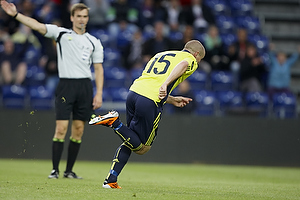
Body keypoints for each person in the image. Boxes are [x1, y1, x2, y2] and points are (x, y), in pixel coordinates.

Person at [0, 1, 104, 179]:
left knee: (78, 130)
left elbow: (98, 68)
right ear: (72, 17)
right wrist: (16, 15)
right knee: (61, 129)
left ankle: (69, 171)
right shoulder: (62, 33)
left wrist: (99, 93)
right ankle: (54, 170)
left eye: (84, 16)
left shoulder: (94, 42)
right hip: (66, 86)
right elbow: (38, 26)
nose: (81, 19)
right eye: (78, 16)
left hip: (85, 87)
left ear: (87, 19)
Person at [89, 40, 205, 188]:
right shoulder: (190, 59)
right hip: (150, 101)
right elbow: (182, 65)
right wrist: (166, 84)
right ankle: (114, 122)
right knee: (142, 147)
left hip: (134, 92)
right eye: (199, 59)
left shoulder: (162, 54)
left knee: (131, 139)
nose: (198, 63)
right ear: (196, 54)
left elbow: (152, 81)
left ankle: (111, 179)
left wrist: (171, 99)